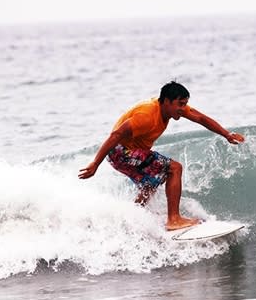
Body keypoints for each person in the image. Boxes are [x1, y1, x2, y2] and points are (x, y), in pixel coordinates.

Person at [78, 81, 245, 230]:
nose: (183, 108)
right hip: (120, 151)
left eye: (185, 104)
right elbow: (116, 135)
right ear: (166, 101)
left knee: (151, 182)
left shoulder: (170, 109)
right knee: (174, 168)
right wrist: (95, 164)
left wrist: (226, 134)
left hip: (125, 152)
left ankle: (132, 219)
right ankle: (174, 219)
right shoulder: (147, 115)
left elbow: (200, 118)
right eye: (180, 104)